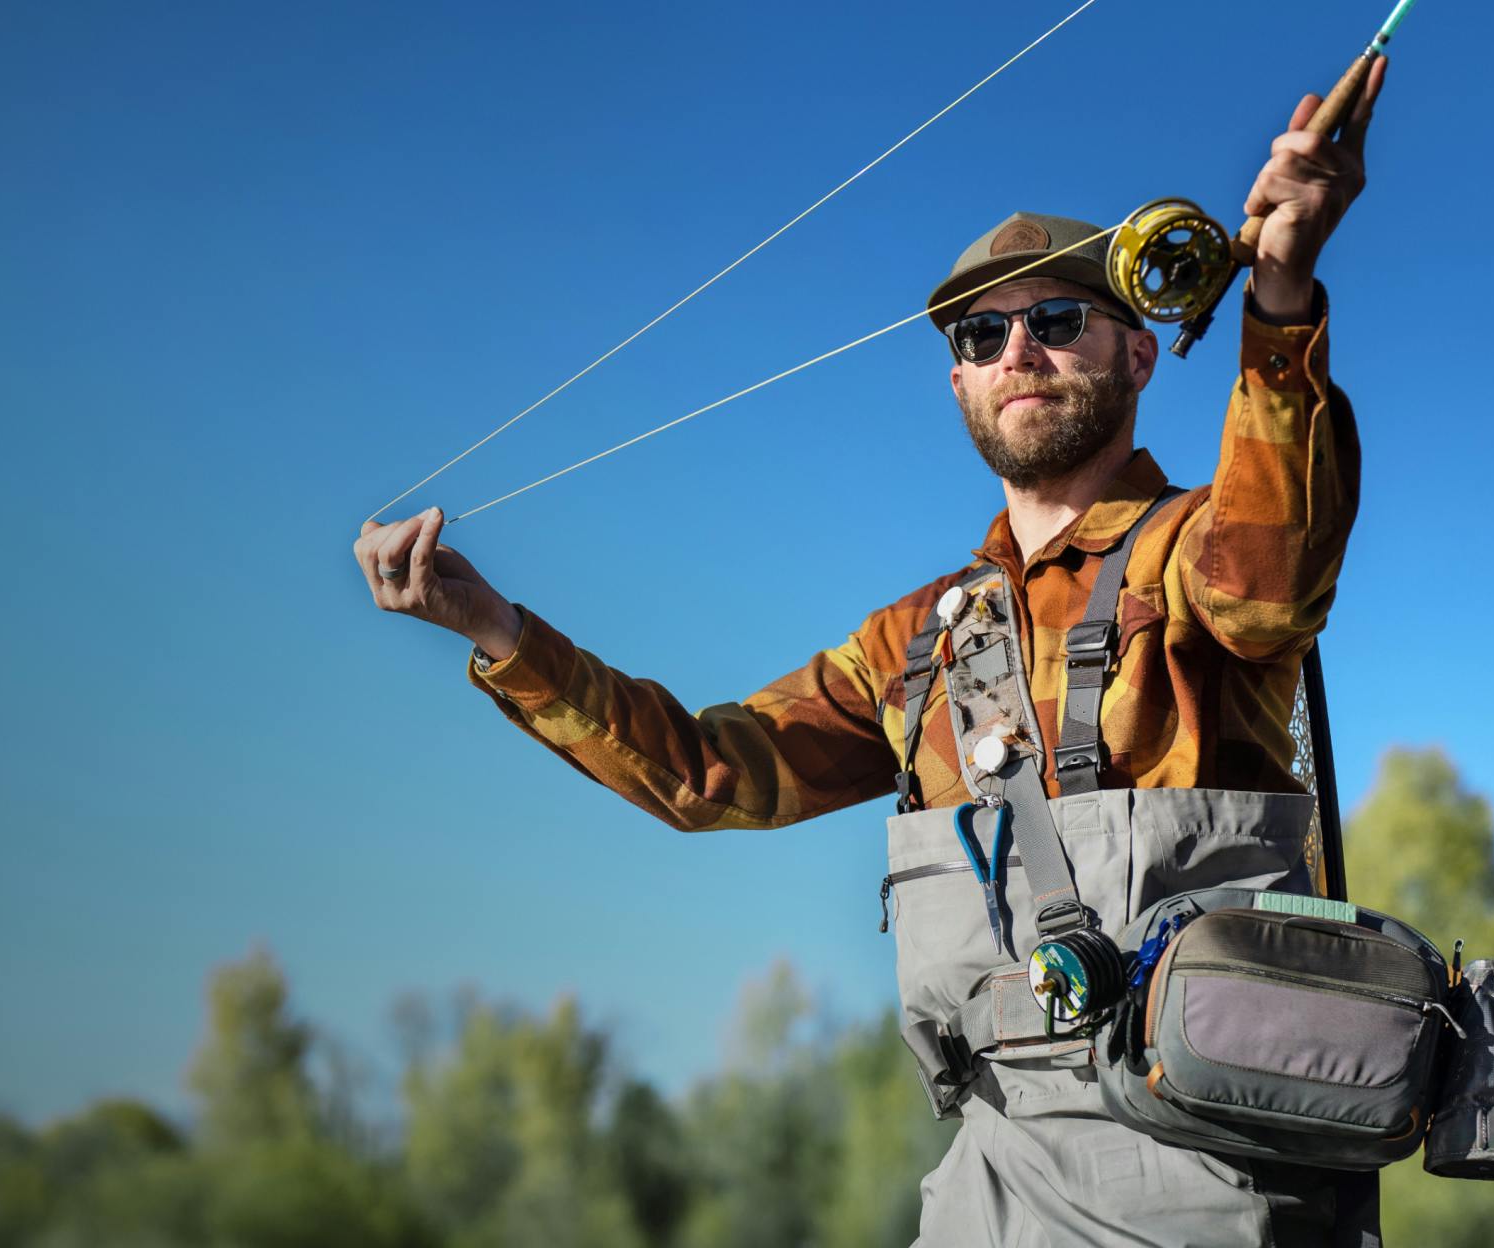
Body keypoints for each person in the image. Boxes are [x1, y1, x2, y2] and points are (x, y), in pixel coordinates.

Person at [354, 62, 1387, 1248]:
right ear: (955, 378)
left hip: (1214, 1169)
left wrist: (1279, 293)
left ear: (1138, 355)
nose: (1019, 353)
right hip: (992, 1167)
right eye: (982, 332)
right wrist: (495, 630)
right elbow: (713, 774)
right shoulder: (917, 639)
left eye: (1056, 322)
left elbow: (1263, 597)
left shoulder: (1191, 553)